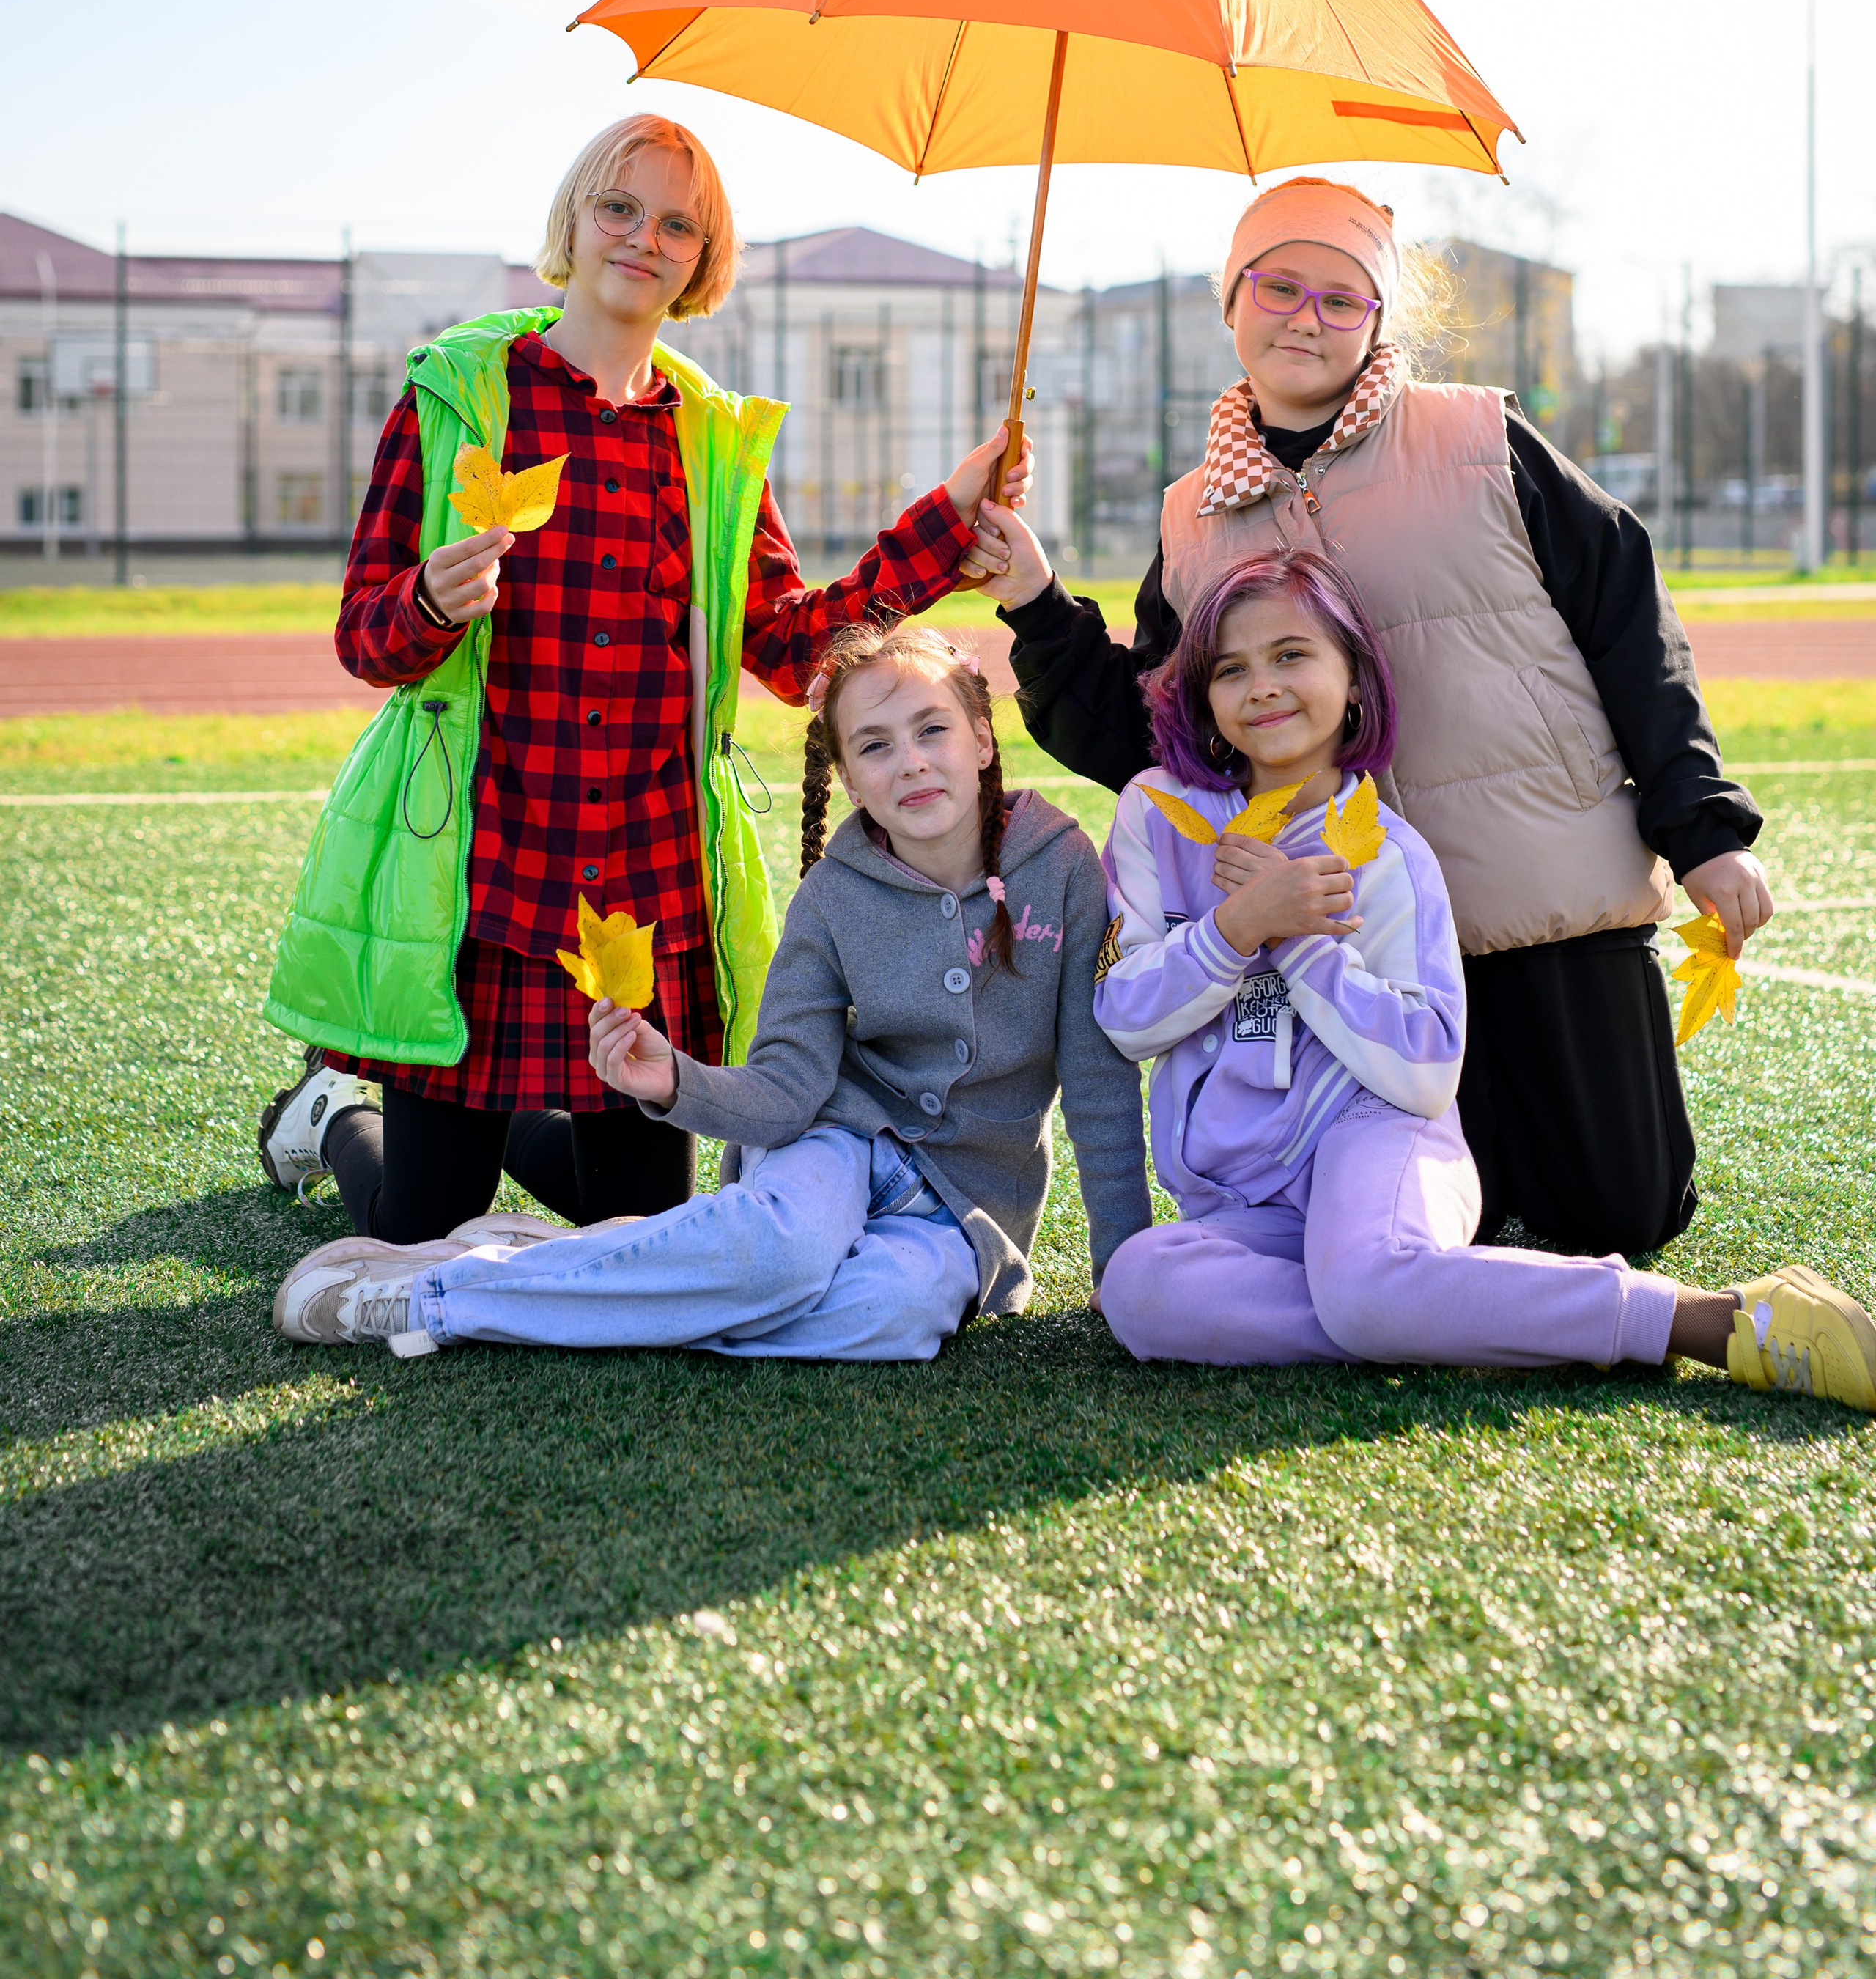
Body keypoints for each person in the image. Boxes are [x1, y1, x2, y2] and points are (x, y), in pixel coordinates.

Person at [254, 114, 1033, 1247]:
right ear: (574, 218)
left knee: (645, 1226)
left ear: (703, 259)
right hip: (481, 863)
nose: (643, 238)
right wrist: (428, 598)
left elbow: (789, 649)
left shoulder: (712, 439)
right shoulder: (464, 393)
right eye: (620, 207)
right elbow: (366, 640)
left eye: (678, 224)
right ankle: (330, 1116)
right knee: (421, 1228)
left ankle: (511, 1121)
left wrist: (944, 522)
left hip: (639, 876)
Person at [970, 176, 1773, 1260]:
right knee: (1448, 1230)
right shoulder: (1192, 513)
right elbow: (1157, 738)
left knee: (1616, 1217)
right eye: (1280, 285)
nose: (1307, 315)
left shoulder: (1480, 438)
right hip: (1352, 939)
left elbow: (1629, 619)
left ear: (1380, 320)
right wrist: (1035, 596)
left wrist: (1703, 829)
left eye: (1341, 299)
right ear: (1230, 301)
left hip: (1537, 902)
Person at [1093, 550, 1875, 1409]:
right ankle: (1437, 1315)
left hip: (1376, 1140)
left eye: (1291, 654)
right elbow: (1126, 1017)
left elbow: (1422, 1073)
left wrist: (1298, 937)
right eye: (1230, 669)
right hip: (1244, 1191)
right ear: (1203, 698)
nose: (1262, 686)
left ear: (1353, 680)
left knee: (1365, 1282)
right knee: (1140, 1289)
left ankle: (1709, 1320)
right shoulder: (1156, 814)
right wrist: (1237, 924)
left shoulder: (1389, 854)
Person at [270, 626, 1152, 1358]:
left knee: (895, 1314)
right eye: (875, 746)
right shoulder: (834, 895)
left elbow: (1101, 1081)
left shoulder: (1063, 866)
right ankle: (439, 1295)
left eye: (933, 730)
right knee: (781, 1255)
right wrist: (674, 1081)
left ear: (983, 739)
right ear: (845, 775)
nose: (911, 764)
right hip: (832, 1140)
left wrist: (1121, 1262)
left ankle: (617, 1264)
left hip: (963, 1206)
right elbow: (786, 1088)